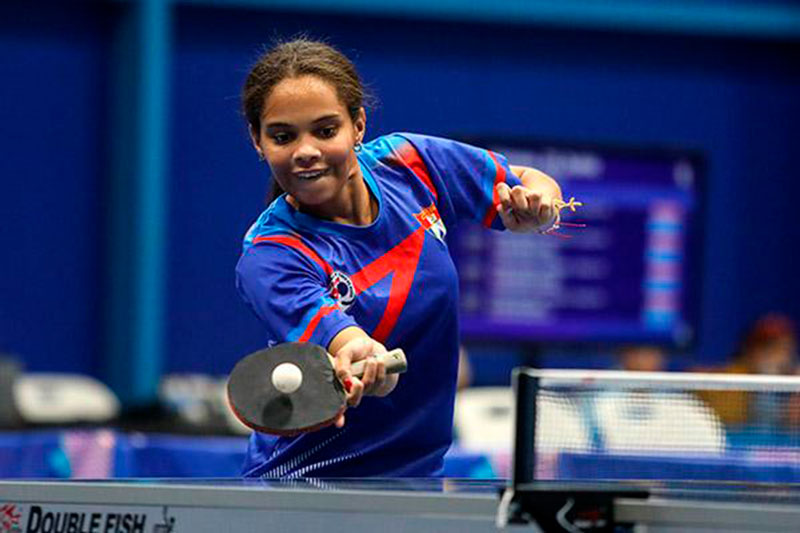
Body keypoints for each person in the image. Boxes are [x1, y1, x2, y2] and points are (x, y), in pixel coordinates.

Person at [234, 38, 569, 478]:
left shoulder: (407, 163)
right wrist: (369, 364)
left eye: (325, 129)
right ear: (258, 142)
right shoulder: (271, 256)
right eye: (282, 136)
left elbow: (529, 180)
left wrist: (539, 207)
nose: (305, 150)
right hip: (308, 485)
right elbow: (349, 343)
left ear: (358, 125)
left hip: (417, 476)